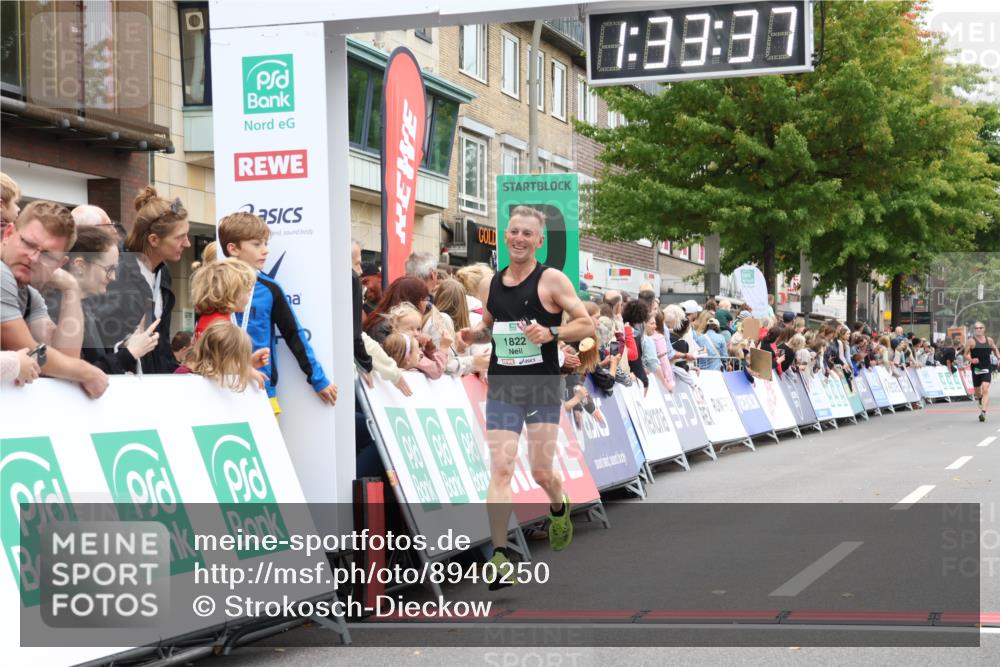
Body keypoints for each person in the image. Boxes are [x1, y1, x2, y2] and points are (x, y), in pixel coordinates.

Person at [457, 206, 594, 590]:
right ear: (506, 235)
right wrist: (473, 337)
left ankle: (558, 503)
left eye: (526, 234)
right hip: (503, 385)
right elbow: (489, 326)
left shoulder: (551, 281)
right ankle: (500, 555)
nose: (518, 238)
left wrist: (552, 335)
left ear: (539, 241)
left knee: (540, 471)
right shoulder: (490, 285)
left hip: (542, 385)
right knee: (501, 468)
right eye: (513, 231)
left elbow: (585, 323)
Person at [218, 211, 337, 414]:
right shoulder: (214, 284)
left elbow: (294, 334)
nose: (265, 250)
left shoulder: (270, 288)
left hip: (261, 388)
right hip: (220, 386)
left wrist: (318, 379)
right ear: (233, 248)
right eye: (257, 244)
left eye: (266, 244)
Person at [1, 200, 108, 397]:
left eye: (47, 255)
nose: (33, 257)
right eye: (29, 244)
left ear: (59, 264)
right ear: (9, 234)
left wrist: (71, 287)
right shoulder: (2, 274)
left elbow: (65, 360)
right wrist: (87, 372)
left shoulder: (30, 295)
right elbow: (32, 351)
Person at [95, 186, 189, 374]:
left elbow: (160, 343)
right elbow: (101, 341)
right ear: (154, 240)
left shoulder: (163, 273)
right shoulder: (116, 271)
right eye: (180, 237)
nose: (187, 243)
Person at [66, 225, 159, 374]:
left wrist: (128, 348)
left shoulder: (82, 307)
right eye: (109, 269)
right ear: (80, 265)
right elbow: (78, 377)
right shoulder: (62, 311)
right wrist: (130, 353)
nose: (114, 277)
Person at [176, 320, 265, 392]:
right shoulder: (184, 375)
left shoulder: (221, 374)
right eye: (239, 360)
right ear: (224, 358)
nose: (240, 365)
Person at [190, 257, 258, 339]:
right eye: (247, 287)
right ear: (231, 292)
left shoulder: (206, 320)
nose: (250, 291)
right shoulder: (223, 329)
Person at [363, 276, 430, 344]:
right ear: (414, 300)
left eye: (418, 329)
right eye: (425, 299)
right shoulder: (384, 328)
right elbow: (392, 353)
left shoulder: (382, 322)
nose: (427, 303)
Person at [965, 322, 999, 422]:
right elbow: (965, 354)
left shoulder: (989, 340)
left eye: (980, 328)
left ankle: (983, 412)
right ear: (974, 330)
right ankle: (979, 399)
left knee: (985, 388)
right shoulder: (971, 341)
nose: (978, 329)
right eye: (976, 328)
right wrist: (971, 360)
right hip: (976, 369)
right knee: (978, 392)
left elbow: (995, 349)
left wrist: (999, 357)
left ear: (984, 329)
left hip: (987, 368)